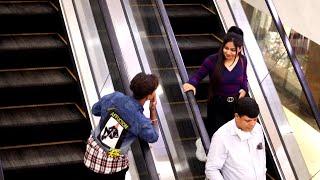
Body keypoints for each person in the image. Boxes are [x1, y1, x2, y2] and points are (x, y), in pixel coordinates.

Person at [84, 72, 160, 179]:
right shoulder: (141, 121)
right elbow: (154, 137)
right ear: (149, 96)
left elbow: (95, 110)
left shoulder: (114, 96)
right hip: (110, 166)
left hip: (91, 154)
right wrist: (152, 110)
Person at [183, 30, 248, 138]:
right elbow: (198, 75)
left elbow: (244, 77)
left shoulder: (242, 60)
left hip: (235, 105)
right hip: (216, 105)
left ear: (240, 49)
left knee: (232, 135)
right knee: (217, 135)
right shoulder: (213, 60)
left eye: (233, 50)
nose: (228, 52)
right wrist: (191, 84)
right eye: (226, 48)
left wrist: (244, 89)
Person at [205, 97, 266, 180]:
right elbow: (211, 169)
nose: (252, 124)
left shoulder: (258, 128)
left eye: (255, 120)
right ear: (237, 116)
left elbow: (261, 157)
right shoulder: (221, 136)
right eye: (247, 121)